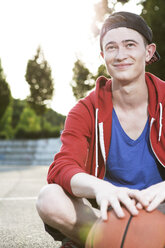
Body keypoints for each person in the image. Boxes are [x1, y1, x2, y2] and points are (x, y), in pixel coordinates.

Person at [36, 11, 165, 248]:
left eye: (130, 45)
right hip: (109, 208)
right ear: (103, 55)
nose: (121, 55)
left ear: (148, 52)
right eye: (112, 47)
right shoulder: (85, 110)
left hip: (159, 205)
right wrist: (102, 188)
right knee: (49, 197)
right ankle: (108, 239)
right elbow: (62, 168)